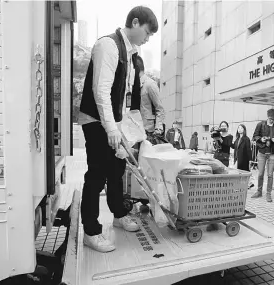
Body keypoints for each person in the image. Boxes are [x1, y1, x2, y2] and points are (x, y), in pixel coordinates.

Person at [77, 6, 158, 253]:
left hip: (115, 122)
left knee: (117, 169)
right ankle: (90, 231)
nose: (147, 38)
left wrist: (125, 131)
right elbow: (100, 90)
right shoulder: (108, 46)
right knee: (97, 174)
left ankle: (119, 214)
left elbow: (123, 98)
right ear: (134, 22)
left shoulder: (131, 55)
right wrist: (111, 129)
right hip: (96, 120)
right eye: (146, 32)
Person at [252, 109, 274, 202]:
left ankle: (268, 194)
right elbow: (255, 136)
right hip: (262, 152)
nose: (271, 120)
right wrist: (261, 139)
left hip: (272, 153)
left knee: (270, 174)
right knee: (260, 173)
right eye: (270, 118)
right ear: (267, 116)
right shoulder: (260, 124)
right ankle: (259, 191)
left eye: (273, 118)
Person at [135, 56, 165, 138]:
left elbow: (160, 108)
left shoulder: (150, 84)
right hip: (135, 130)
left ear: (135, 68)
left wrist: (158, 129)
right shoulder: (133, 85)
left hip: (149, 131)